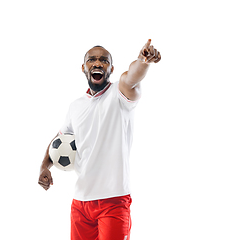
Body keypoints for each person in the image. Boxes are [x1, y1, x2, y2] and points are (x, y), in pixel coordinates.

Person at [38, 39, 161, 240]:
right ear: (83, 67)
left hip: (113, 201)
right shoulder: (76, 106)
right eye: (91, 60)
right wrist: (44, 167)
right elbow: (58, 139)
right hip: (80, 202)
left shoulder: (120, 93)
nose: (97, 63)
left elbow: (132, 78)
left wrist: (143, 61)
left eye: (103, 61)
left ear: (111, 68)